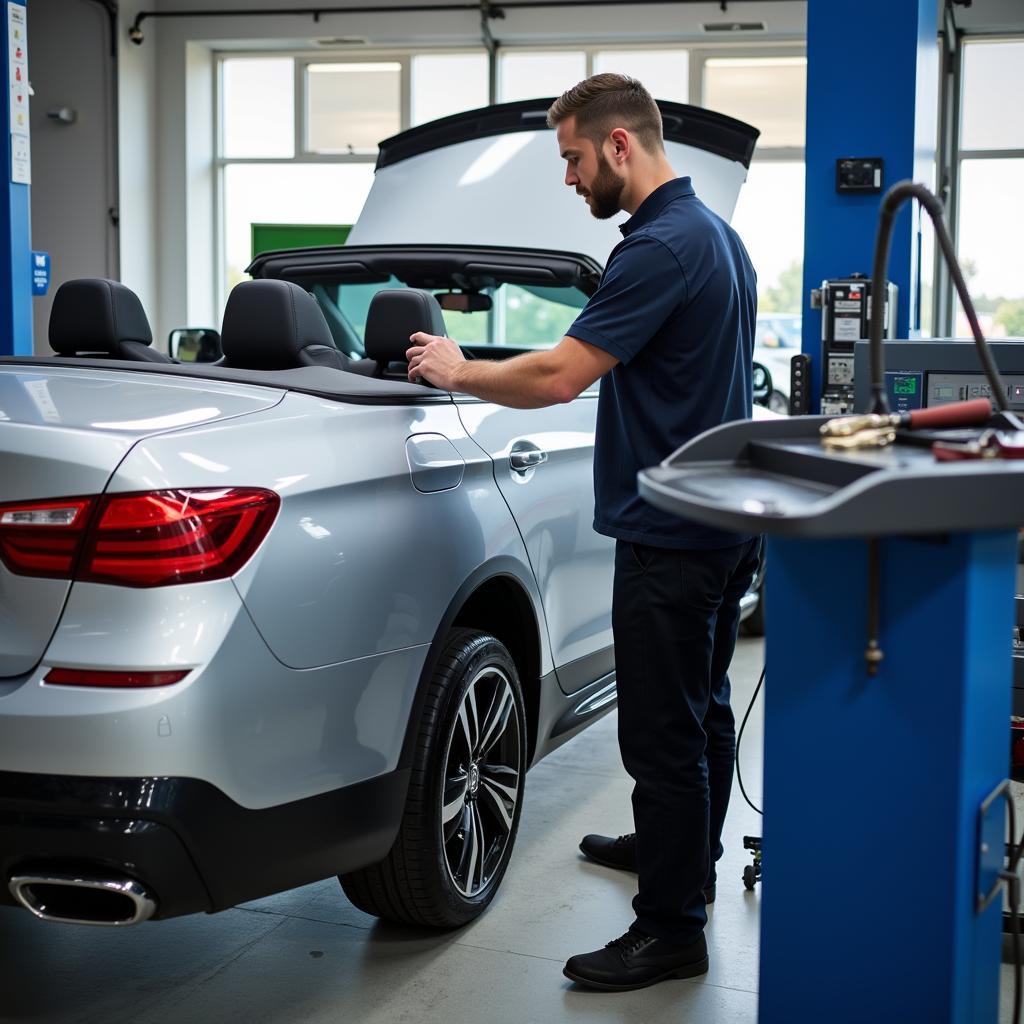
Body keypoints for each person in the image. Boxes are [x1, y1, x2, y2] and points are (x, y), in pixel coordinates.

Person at [405, 73, 761, 992]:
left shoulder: (657, 248)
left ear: (616, 145)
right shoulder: (719, 238)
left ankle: (671, 928)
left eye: (571, 157)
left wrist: (457, 367)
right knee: (703, 712)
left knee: (659, 737)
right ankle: (681, 860)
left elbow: (562, 375)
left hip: (672, 540)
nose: (569, 178)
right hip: (721, 528)